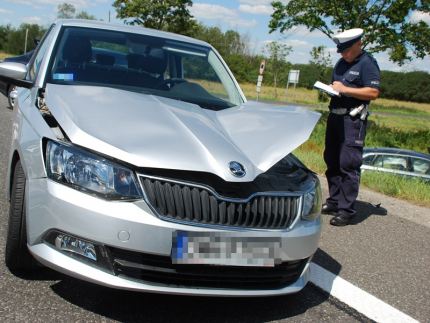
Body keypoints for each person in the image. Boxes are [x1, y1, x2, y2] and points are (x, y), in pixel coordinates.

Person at [322, 28, 381, 226]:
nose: (343, 54)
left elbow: (373, 92)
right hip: (335, 117)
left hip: (352, 120)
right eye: (340, 51)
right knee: (332, 160)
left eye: (346, 50)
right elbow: (336, 85)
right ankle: (334, 200)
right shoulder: (341, 63)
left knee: (348, 164)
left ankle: (346, 210)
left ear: (358, 44)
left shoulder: (367, 63)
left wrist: (345, 89)